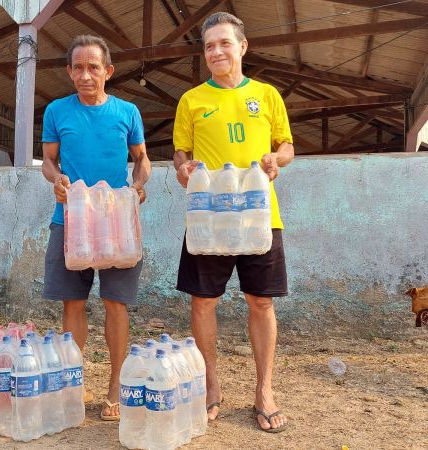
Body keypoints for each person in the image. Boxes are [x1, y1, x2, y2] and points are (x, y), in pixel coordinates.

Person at [173, 12, 294, 432]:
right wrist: (183, 169)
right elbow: (180, 155)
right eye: (209, 46)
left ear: (242, 47)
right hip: (209, 217)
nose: (217, 52)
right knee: (203, 301)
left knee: (261, 301)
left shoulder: (267, 94)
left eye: (225, 43)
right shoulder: (192, 100)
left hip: (260, 215)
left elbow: (286, 145)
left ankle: (264, 391)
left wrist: (276, 159)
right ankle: (211, 385)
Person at [41, 34, 151, 421]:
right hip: (72, 220)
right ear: (69, 71)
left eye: (93, 67)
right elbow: (48, 161)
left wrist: (138, 186)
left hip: (116, 220)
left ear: (108, 71)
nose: (86, 75)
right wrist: (56, 180)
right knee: (73, 302)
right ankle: (73, 386)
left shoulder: (127, 112)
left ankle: (116, 388)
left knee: (115, 303)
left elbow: (141, 159)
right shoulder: (57, 111)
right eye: (78, 68)